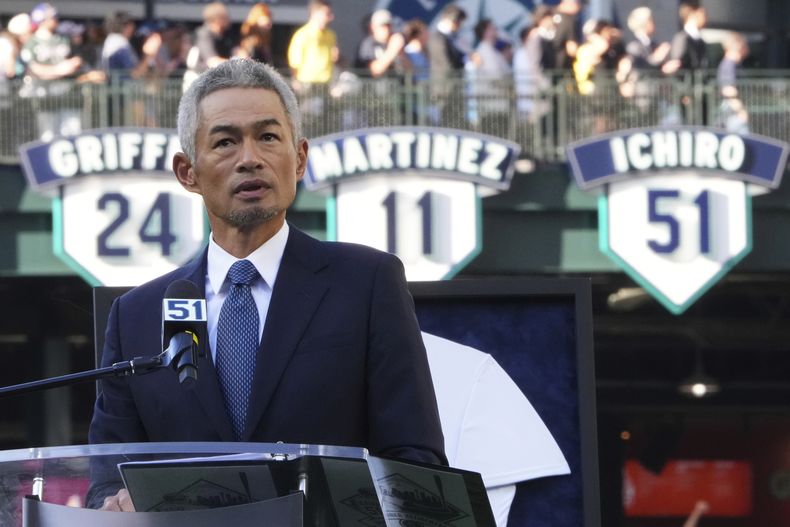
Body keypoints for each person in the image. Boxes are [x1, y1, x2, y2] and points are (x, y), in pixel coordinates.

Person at [89, 58, 446, 511]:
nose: (250, 158)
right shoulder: (137, 315)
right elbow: (104, 480)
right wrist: (111, 503)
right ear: (187, 172)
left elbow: (415, 459)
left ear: (298, 158)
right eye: (225, 142)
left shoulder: (367, 283)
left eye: (268, 137)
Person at [182, 2, 235, 91]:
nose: (229, 19)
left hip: (213, 82)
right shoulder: (204, 34)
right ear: (217, 19)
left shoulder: (224, 36)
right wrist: (236, 63)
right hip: (198, 82)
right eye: (225, 17)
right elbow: (212, 61)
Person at [286, 0, 338, 87]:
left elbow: (334, 58)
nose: (331, 17)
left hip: (326, 84)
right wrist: (296, 81)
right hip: (307, 84)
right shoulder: (302, 35)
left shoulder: (331, 35)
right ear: (316, 13)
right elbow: (294, 62)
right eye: (327, 13)